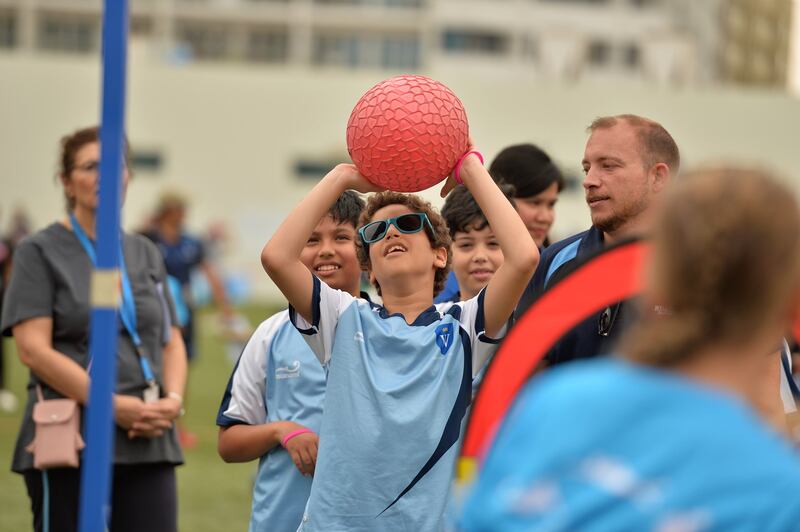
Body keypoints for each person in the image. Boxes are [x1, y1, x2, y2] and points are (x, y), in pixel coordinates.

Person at [458, 167, 800, 531]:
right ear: (790, 305)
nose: (590, 178)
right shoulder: (777, 490)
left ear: (652, 286)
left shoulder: (555, 403)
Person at [260, 147, 538, 531]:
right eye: (376, 231)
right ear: (369, 269)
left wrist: (471, 169)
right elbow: (277, 256)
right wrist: (341, 176)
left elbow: (523, 257)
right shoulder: (341, 318)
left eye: (408, 225)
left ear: (441, 255)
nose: (391, 231)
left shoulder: (463, 326)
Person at [1, 126, 187, 532]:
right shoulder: (39, 250)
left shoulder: (144, 251)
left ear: (128, 177)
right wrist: (110, 406)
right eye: (90, 166)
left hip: (147, 435)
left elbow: (171, 338)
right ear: (67, 182)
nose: (104, 175)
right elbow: (32, 349)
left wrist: (172, 399)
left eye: (114, 166)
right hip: (72, 436)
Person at [216, 191, 365, 532]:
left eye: (341, 237)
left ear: (365, 249)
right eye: (311, 240)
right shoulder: (271, 334)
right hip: (281, 521)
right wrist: (282, 431)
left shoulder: (388, 328)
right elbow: (229, 443)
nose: (326, 249)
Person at [516, 114, 679, 365]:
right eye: (586, 168)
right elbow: (525, 376)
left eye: (609, 166)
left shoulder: (700, 270)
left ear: (658, 177)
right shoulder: (553, 264)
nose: (589, 181)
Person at [436, 143, 563, 303]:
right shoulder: (443, 287)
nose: (544, 217)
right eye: (534, 203)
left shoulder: (560, 272)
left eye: (551, 204)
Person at [142, 191, 233, 362]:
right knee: (155, 355)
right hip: (155, 303)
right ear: (168, 211)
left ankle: (177, 389)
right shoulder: (148, 239)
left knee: (182, 355)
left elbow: (209, 272)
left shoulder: (191, 242)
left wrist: (224, 305)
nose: (184, 213)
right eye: (180, 209)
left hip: (184, 306)